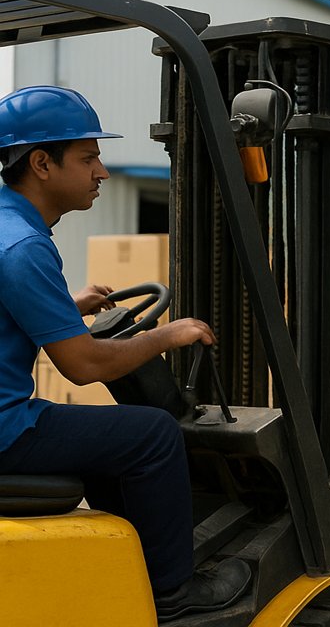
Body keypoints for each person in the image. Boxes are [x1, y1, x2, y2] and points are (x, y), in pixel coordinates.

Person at [0, 85, 251, 621]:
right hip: (4, 433)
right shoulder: (25, 247)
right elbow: (83, 366)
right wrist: (166, 335)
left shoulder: (7, 228)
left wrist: (68, 307)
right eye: (88, 158)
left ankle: (127, 569)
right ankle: (172, 594)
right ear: (42, 163)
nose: (102, 172)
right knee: (151, 434)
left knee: (103, 438)